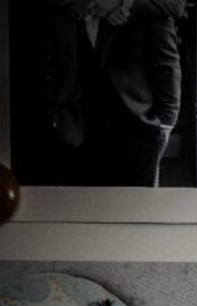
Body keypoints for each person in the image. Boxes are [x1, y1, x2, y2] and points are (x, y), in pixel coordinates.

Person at [46, 0, 184, 186]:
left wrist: (167, 124)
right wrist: (56, 113)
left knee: (135, 211)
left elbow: (168, 65)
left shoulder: (148, 7)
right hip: (77, 132)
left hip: (137, 131)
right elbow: (53, 62)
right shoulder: (68, 9)